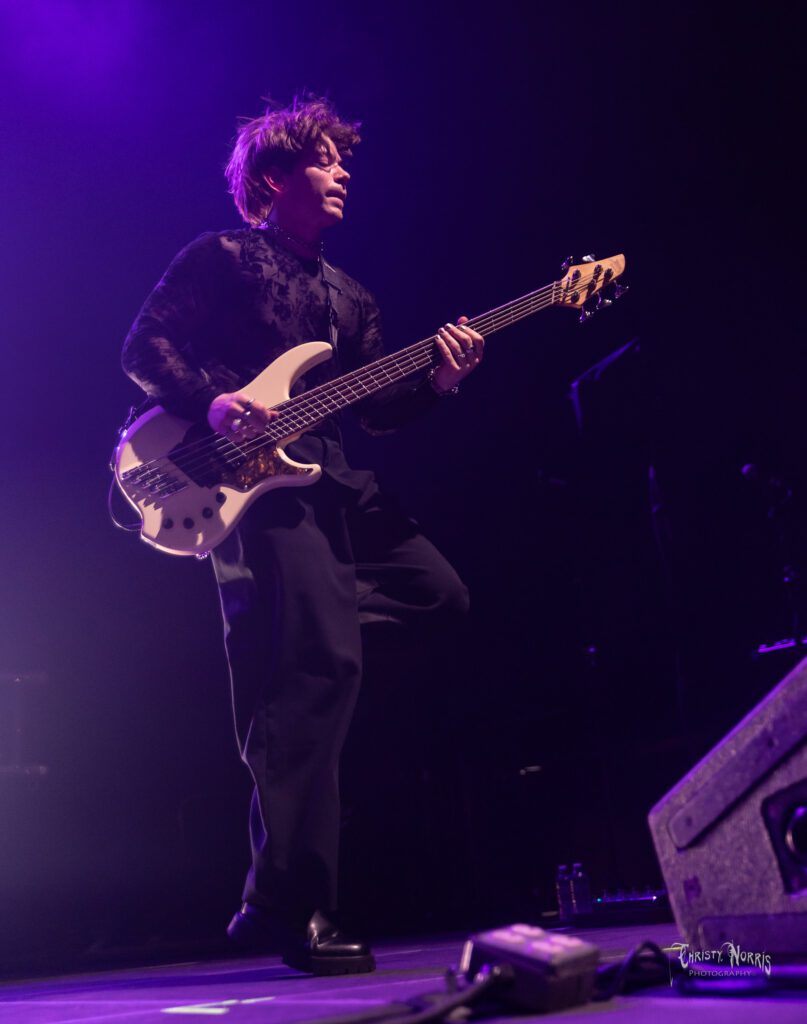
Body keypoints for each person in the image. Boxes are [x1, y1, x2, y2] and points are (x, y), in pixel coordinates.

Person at [121, 96, 484, 975]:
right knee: (321, 669)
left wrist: (437, 381)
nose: (343, 172)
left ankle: (291, 663)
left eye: (342, 160)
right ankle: (294, 906)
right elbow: (145, 347)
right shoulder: (222, 258)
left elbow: (377, 408)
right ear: (274, 177)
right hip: (253, 487)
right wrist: (214, 402)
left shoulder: (349, 297)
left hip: (330, 481)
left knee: (435, 597)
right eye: (324, 159)